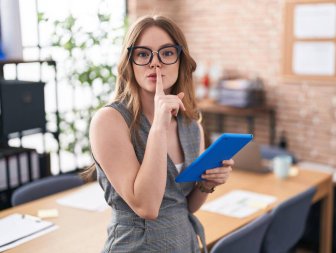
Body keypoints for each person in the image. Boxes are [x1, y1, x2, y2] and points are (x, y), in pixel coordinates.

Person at [88, 15, 234, 253]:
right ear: (130, 62)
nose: (155, 63)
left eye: (166, 53)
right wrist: (158, 126)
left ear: (180, 60)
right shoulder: (109, 121)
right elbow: (147, 207)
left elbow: (183, 206)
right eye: (143, 54)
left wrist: (207, 184)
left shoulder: (191, 126)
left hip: (184, 243)